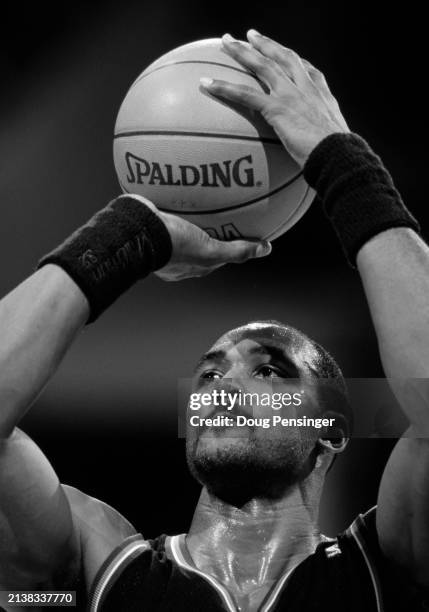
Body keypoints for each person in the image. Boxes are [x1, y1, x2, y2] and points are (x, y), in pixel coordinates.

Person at [0, 29, 428, 612]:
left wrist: (342, 162)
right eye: (208, 375)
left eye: (272, 372)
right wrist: (126, 237)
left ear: (332, 428)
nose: (223, 387)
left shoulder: (391, 570)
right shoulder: (88, 565)